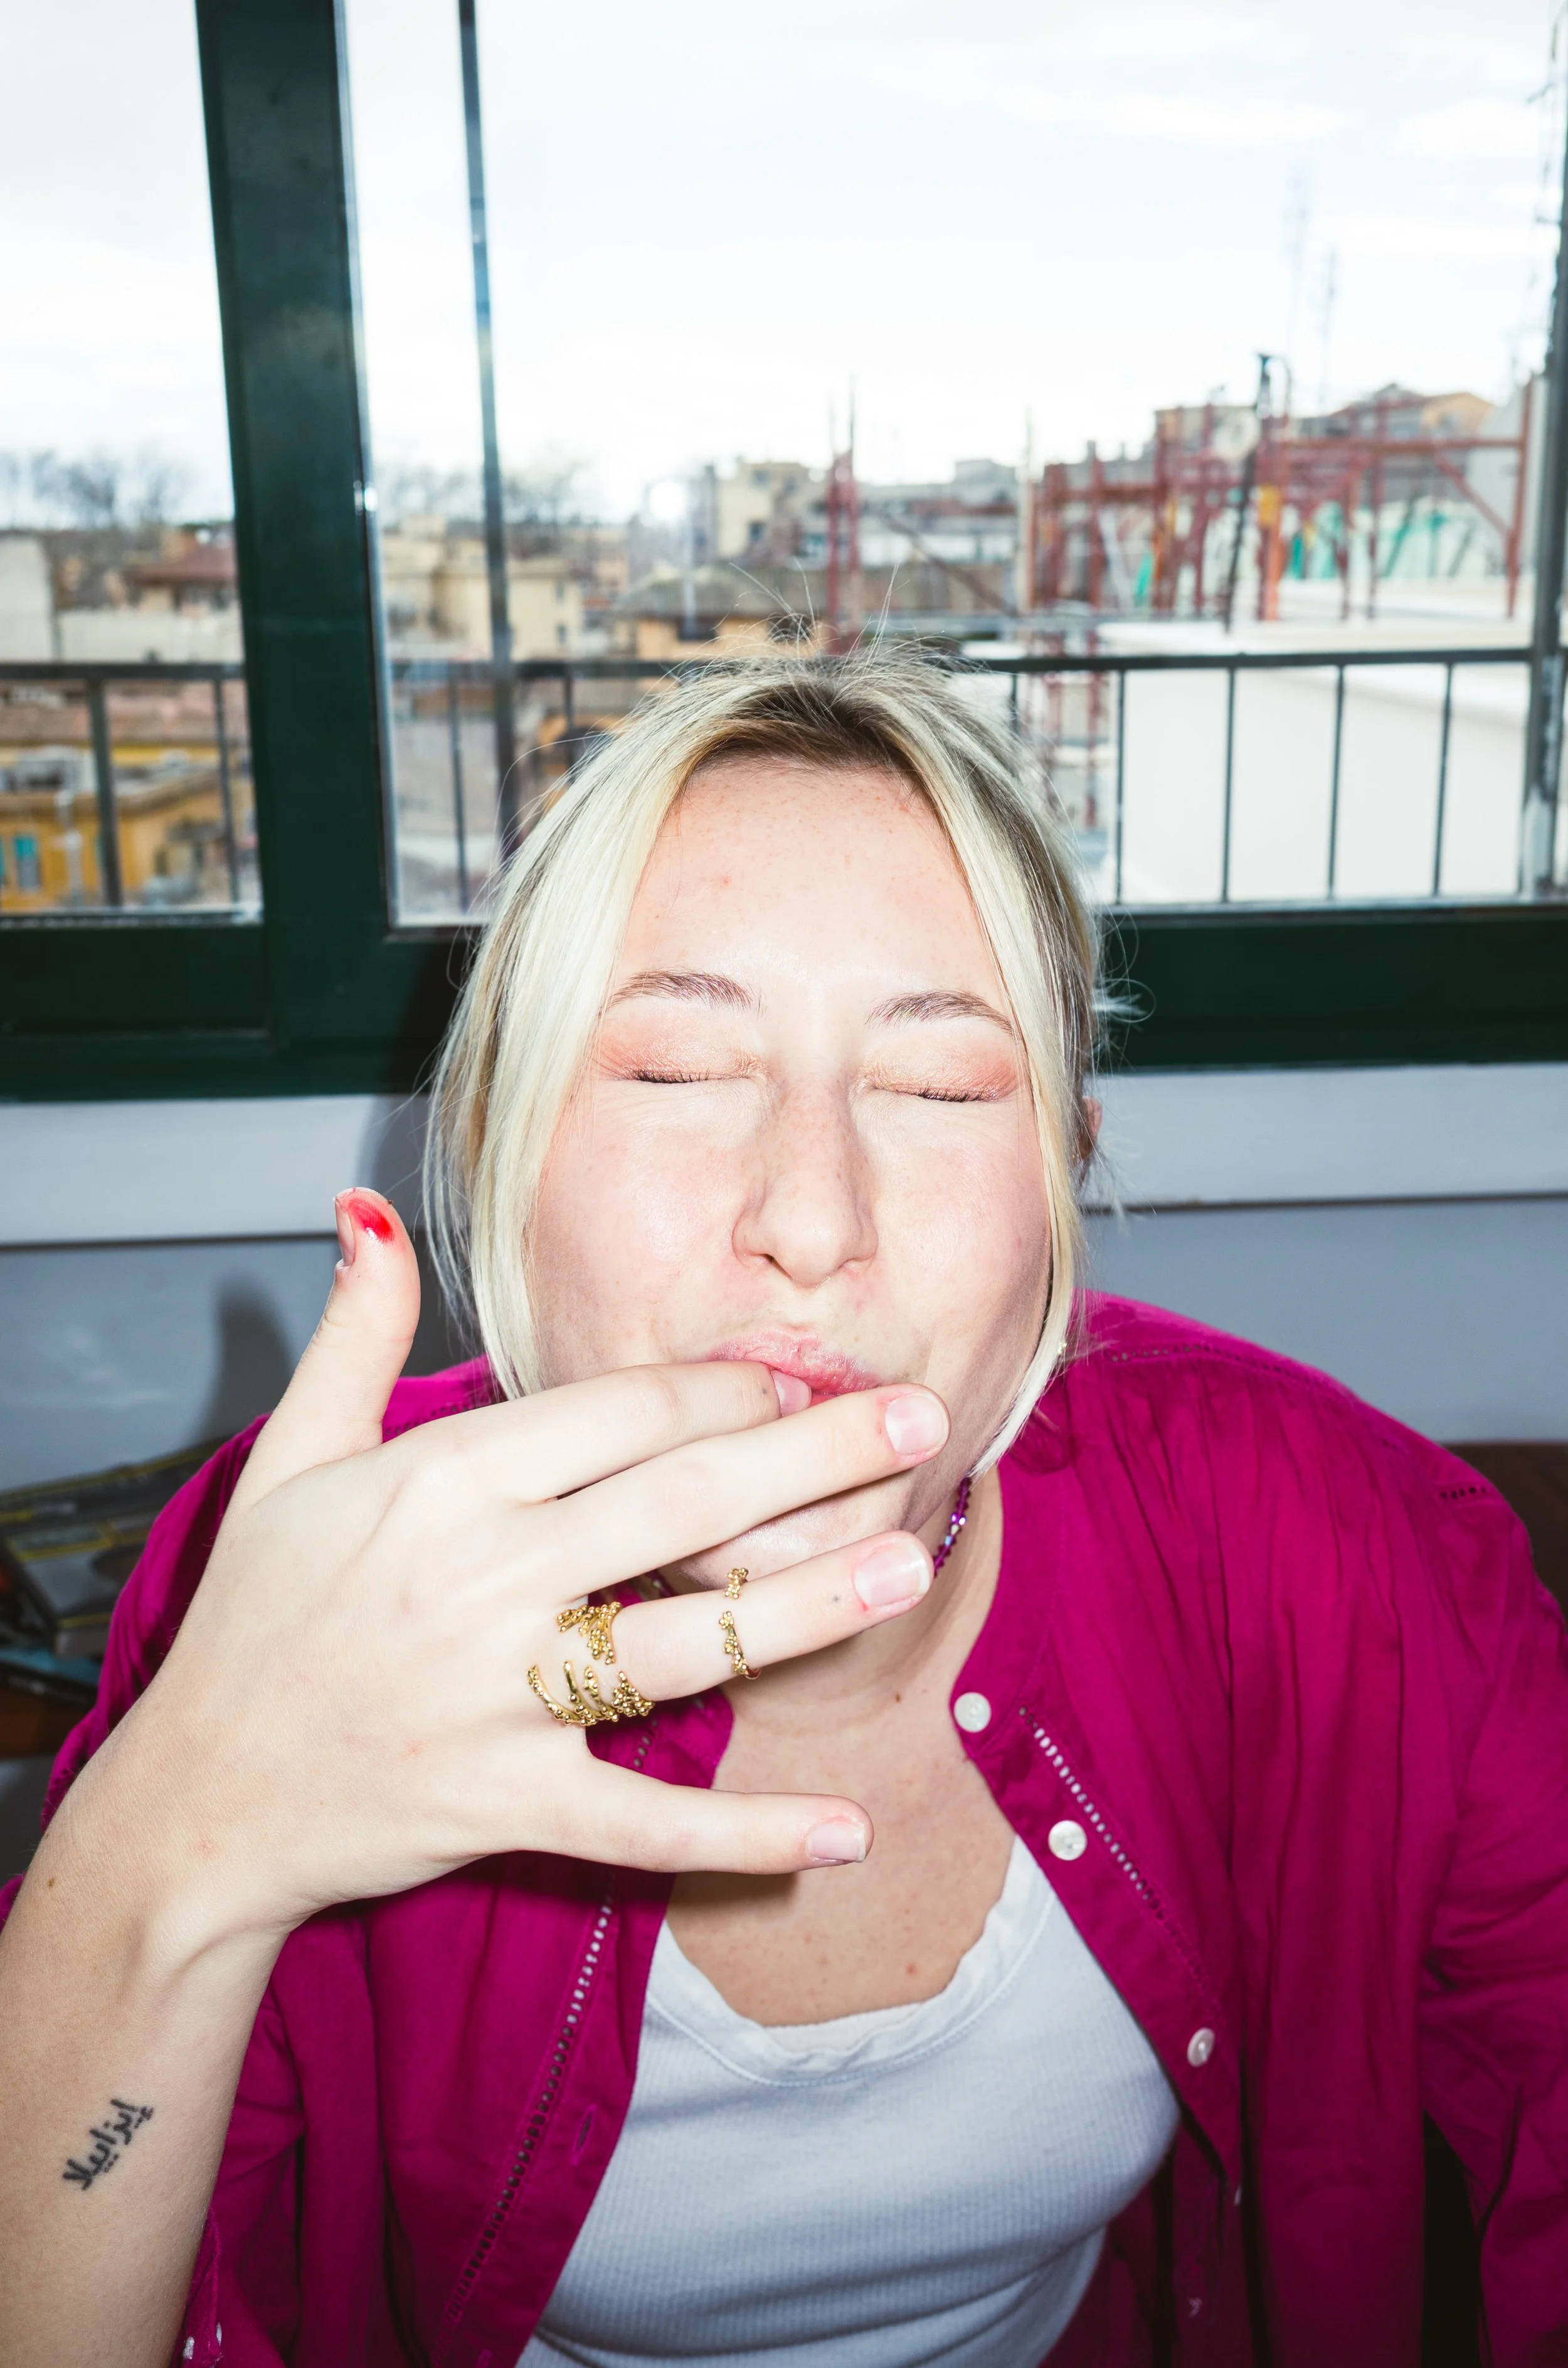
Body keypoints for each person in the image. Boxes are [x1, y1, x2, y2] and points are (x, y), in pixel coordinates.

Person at [0, 654, 1563, 2368]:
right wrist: (171, 1857)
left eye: (943, 1084)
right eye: (675, 1067)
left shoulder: (1339, 1540)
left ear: (1063, 1176)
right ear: (500, 1155)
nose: (810, 1220)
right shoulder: (307, 1572)